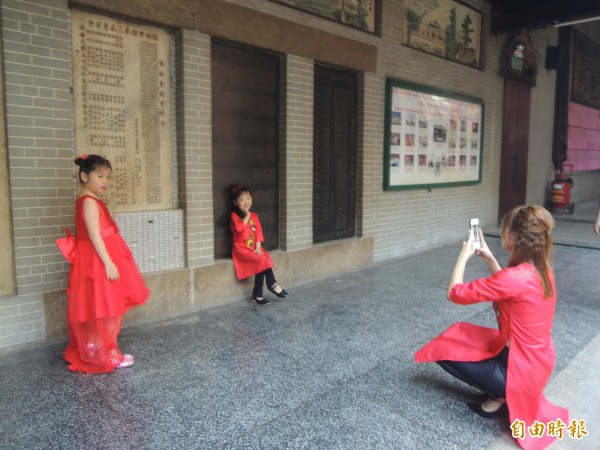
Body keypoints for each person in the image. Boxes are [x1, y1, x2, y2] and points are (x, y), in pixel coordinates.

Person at [415, 205, 569, 450]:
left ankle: (502, 393)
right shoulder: (542, 270)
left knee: (441, 350)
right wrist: (489, 258)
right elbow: (510, 289)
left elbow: (455, 294)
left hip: (516, 368)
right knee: (460, 333)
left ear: (516, 237)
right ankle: (500, 394)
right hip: (537, 363)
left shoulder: (516, 277)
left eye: (506, 229)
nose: (503, 233)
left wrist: (463, 256)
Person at [60, 154, 149, 373]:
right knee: (109, 306)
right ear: (84, 176)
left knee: (103, 304)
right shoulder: (89, 201)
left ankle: (95, 345)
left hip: (98, 255)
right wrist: (109, 262)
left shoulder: (89, 200)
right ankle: (108, 353)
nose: (104, 181)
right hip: (99, 258)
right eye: (99, 176)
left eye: (107, 177)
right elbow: (93, 234)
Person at [230, 185, 288, 305]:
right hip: (241, 250)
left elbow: (259, 233)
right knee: (262, 260)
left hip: (253, 248)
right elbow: (239, 229)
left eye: (248, 198)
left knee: (263, 258)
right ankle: (272, 284)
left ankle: (257, 294)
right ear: (236, 202)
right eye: (242, 200)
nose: (246, 202)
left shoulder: (255, 216)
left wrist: (257, 248)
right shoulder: (234, 216)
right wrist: (247, 215)